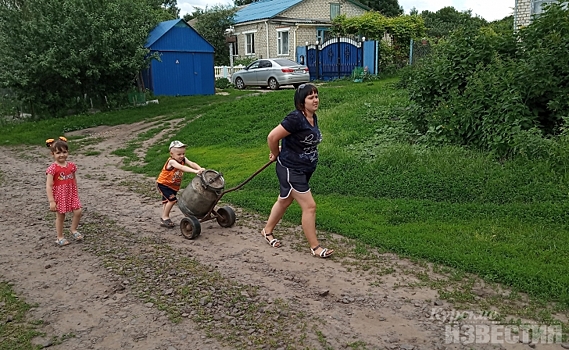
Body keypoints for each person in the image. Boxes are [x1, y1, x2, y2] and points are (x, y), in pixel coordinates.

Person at [262, 83, 334, 258]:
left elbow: (297, 141)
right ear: (302, 102)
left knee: (284, 201)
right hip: (290, 169)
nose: (315, 100)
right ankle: (315, 248)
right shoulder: (295, 118)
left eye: (316, 96)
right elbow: (272, 136)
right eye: (311, 97)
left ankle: (267, 231)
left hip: (303, 169)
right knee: (310, 207)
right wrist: (275, 152)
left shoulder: (312, 117)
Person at [156, 140, 205, 228]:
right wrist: (195, 171)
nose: (182, 156)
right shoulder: (171, 162)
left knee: (167, 201)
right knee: (172, 200)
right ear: (171, 154)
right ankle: (165, 217)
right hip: (164, 184)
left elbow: (191, 163)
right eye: (179, 154)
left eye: (183, 154)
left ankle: (164, 218)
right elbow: (182, 167)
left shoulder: (183, 159)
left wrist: (200, 168)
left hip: (173, 186)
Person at [45, 136, 83, 246]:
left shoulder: (71, 166)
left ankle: (73, 229)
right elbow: (48, 185)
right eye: (58, 153)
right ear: (53, 154)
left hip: (71, 193)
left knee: (78, 211)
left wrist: (75, 190)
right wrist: (51, 201)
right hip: (60, 196)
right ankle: (60, 237)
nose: (62, 155)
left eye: (64, 152)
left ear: (68, 152)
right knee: (61, 216)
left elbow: (73, 178)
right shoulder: (52, 169)